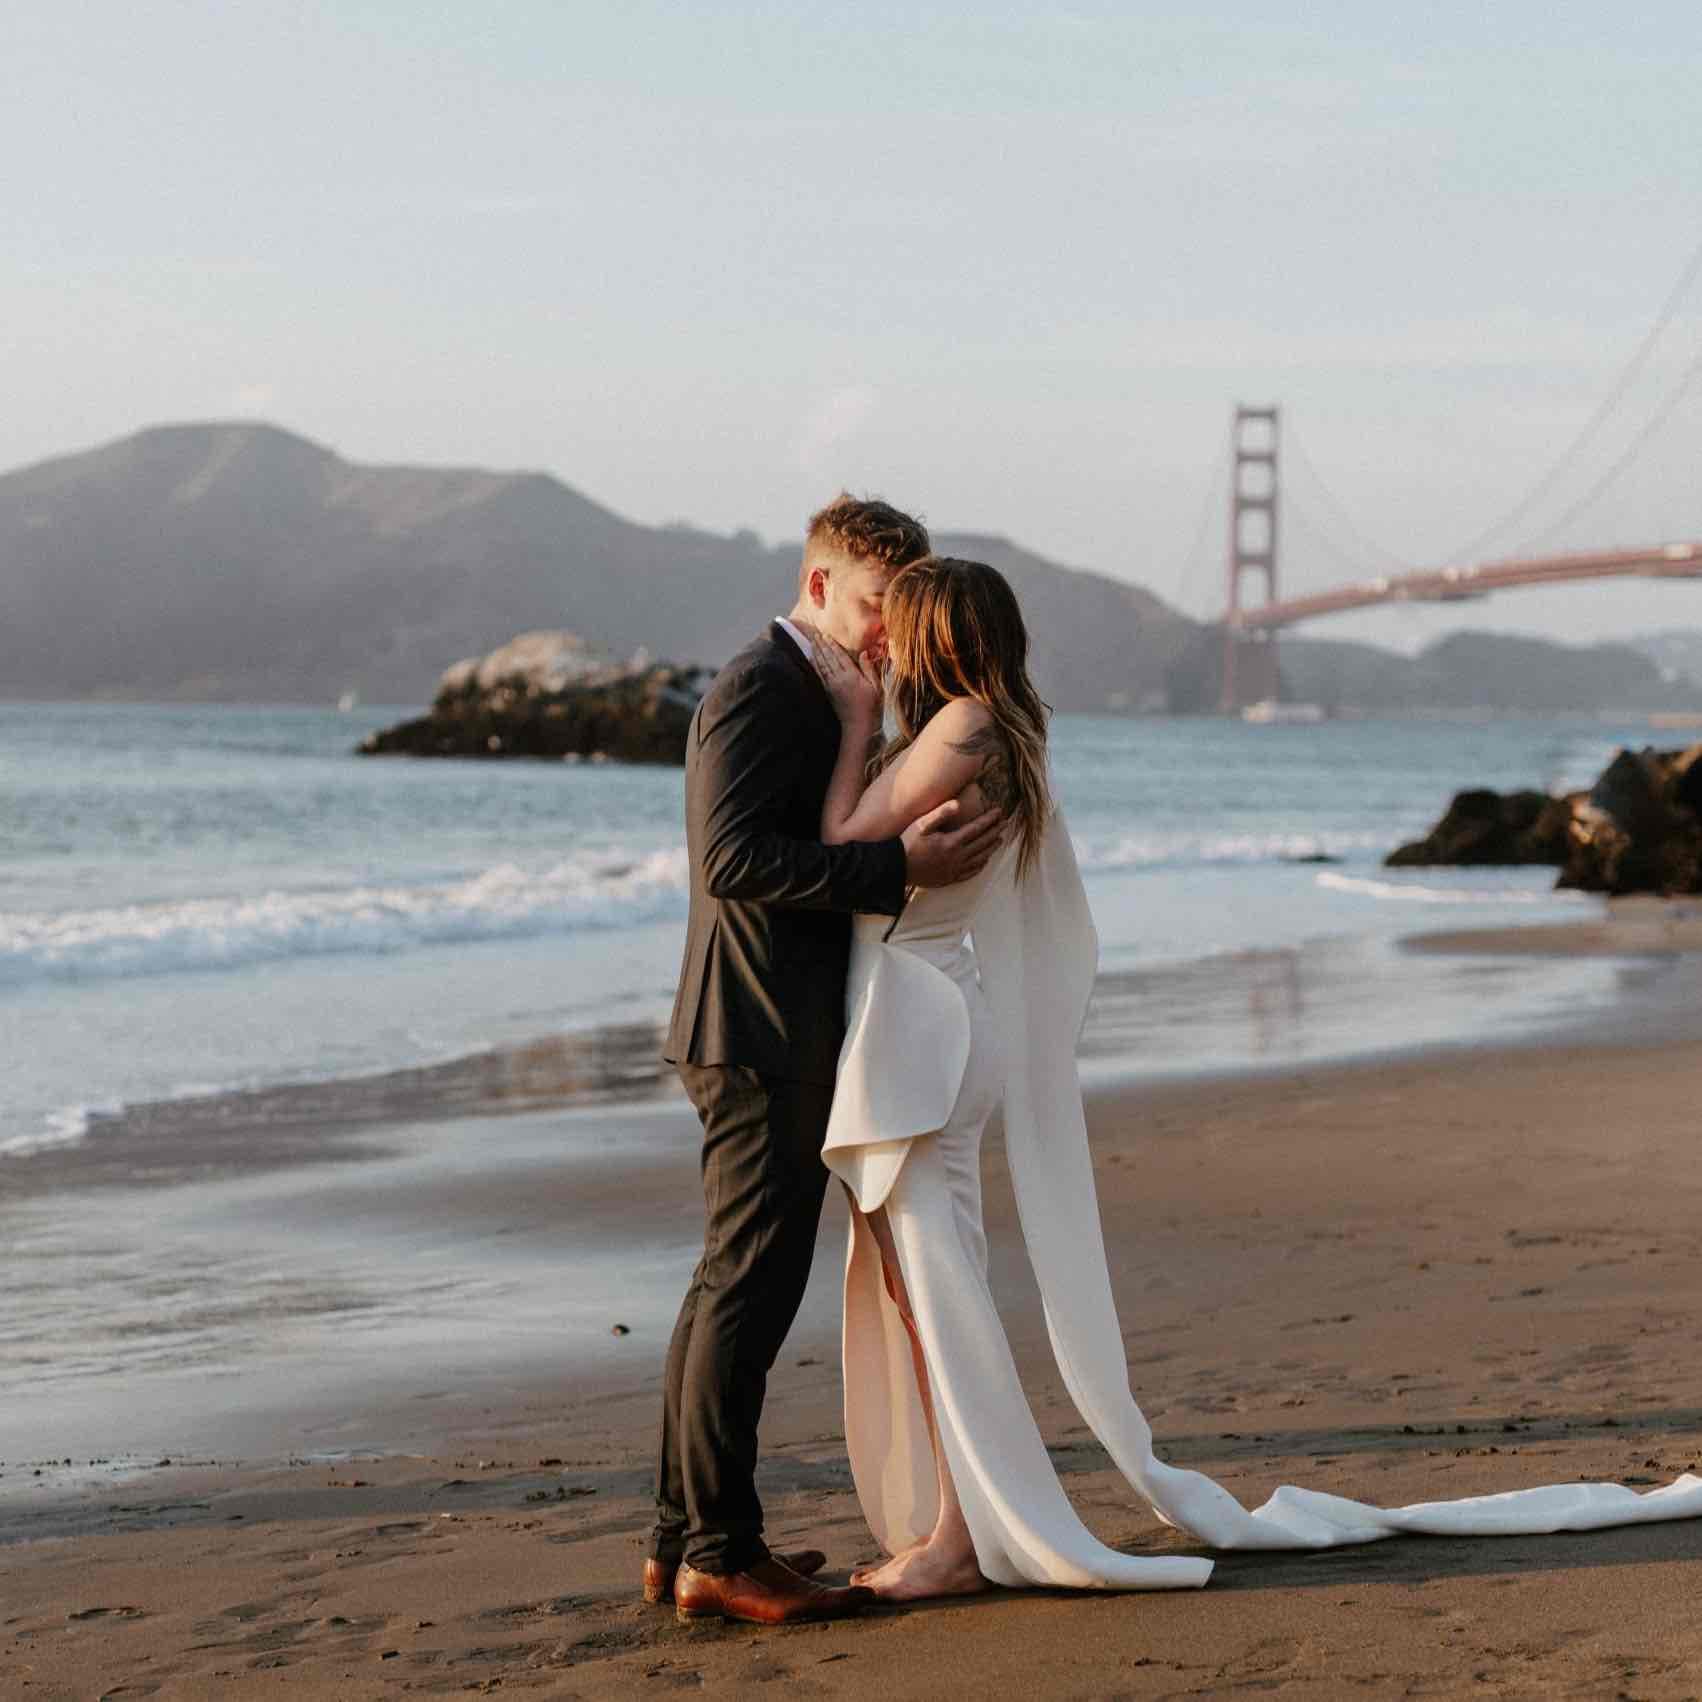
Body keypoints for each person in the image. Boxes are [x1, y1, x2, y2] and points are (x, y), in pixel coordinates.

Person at [803, 554, 1702, 1603]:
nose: (884, 643)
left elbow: (841, 841)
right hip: (928, 1022)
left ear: (939, 632)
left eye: (898, 624)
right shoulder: (988, 724)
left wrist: (854, 719)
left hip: (927, 1031)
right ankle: (959, 1527)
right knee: (933, 1291)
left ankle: (962, 1541)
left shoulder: (960, 726)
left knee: (943, 1293)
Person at [651, 499, 1006, 1627]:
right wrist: (895, 867)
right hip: (754, 1026)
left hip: (778, 1024)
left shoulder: (828, 686)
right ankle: (718, 1550)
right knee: (747, 1288)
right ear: (817, 588)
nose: (888, 637)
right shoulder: (763, 683)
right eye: (871, 608)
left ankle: (685, 1540)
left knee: (733, 1285)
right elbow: (732, 858)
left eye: (898, 618)